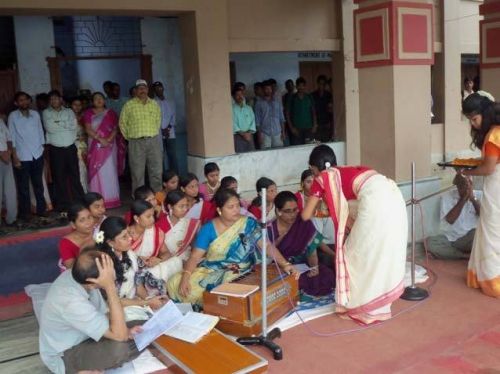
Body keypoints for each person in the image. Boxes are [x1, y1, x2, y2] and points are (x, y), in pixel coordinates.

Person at [302, 145, 407, 324]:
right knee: (376, 252)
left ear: (314, 168)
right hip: (394, 195)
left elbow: (305, 215)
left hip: (375, 202)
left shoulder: (324, 178)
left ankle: (360, 306)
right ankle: (378, 304)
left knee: (352, 255)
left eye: (312, 171)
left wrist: (318, 205)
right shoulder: (344, 170)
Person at [167, 188, 299, 306]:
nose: (236, 210)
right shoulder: (208, 228)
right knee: (175, 283)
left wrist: (285, 264)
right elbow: (195, 256)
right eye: (231, 207)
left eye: (237, 206)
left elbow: (267, 245)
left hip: (239, 270)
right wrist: (185, 277)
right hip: (212, 270)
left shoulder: (249, 223)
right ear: (219, 210)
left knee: (226, 290)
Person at [39, 250, 143, 374]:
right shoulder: (70, 301)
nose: (112, 273)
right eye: (109, 274)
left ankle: (93, 363)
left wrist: (126, 331)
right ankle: (74, 369)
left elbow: (105, 315)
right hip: (66, 353)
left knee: (142, 325)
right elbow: (120, 336)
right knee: (119, 349)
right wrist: (109, 286)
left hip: (87, 336)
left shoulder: (84, 278)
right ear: (93, 283)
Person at [461, 92, 500, 297]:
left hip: (497, 188)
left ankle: (493, 281)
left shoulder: (494, 134)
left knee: (493, 232)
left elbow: (489, 169)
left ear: (484, 114)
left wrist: (467, 172)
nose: (474, 125)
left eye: (474, 119)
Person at [268, 191, 334, 296]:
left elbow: (312, 246)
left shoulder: (302, 222)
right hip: (281, 266)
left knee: (326, 275)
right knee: (294, 282)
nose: (293, 214)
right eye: (288, 211)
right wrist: (282, 236)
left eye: (295, 210)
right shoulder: (270, 228)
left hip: (303, 263)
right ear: (278, 211)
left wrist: (314, 268)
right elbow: (267, 253)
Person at [97, 216, 168, 311]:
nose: (130, 238)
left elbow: (138, 286)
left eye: (129, 234)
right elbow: (112, 300)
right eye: (124, 237)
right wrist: (146, 303)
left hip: (133, 302)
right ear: (110, 243)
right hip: (114, 310)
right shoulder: (104, 265)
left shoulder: (130, 255)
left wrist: (149, 300)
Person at [43, 90, 84, 214]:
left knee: (75, 176)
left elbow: (73, 126)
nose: (53, 101)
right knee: (59, 178)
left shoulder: (69, 111)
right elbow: (50, 128)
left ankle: (80, 202)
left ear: (61, 99)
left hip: (70, 148)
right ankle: (63, 204)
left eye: (56, 98)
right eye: (51, 99)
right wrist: (65, 124)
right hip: (56, 150)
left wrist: (59, 123)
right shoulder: (46, 113)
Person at [129, 200, 182, 293]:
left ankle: (151, 286)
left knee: (176, 261)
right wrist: (137, 260)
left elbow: (166, 253)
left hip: (150, 268)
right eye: (148, 217)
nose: (153, 220)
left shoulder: (156, 231)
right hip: (133, 272)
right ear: (136, 218)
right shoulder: (126, 234)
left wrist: (158, 260)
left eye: (153, 215)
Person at [8, 91, 47, 220]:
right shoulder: (13, 116)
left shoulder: (35, 114)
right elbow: (11, 137)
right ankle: (25, 214)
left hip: (37, 154)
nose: (24, 102)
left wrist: (42, 151)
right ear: (16, 103)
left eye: (26, 99)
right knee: (23, 187)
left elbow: (40, 132)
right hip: (22, 156)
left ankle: (42, 210)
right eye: (20, 100)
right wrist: (15, 157)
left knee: (38, 185)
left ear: (29, 101)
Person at [120, 79, 162, 193]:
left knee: (156, 171)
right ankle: (140, 200)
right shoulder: (129, 105)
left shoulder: (154, 104)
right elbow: (122, 124)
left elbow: (158, 121)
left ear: (147, 90)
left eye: (144, 88)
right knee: (137, 173)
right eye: (140, 88)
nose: (142, 90)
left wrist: (152, 134)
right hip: (136, 142)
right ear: (136, 90)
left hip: (153, 141)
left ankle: (157, 199)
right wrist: (130, 139)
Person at [84, 92, 125, 209]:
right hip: (95, 145)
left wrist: (108, 140)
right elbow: (88, 129)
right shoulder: (88, 113)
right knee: (97, 171)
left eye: (101, 98)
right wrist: (100, 139)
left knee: (110, 171)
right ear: (92, 102)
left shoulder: (111, 113)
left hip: (110, 146)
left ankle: (112, 199)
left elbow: (115, 128)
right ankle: (97, 201)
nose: (98, 100)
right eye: (96, 98)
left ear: (104, 100)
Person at [428, 174, 481, 260]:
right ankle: (465, 256)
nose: (467, 187)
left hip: (470, 239)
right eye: (463, 185)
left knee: (481, 235)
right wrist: (463, 199)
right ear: (457, 186)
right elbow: (450, 220)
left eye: (469, 184)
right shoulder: (446, 197)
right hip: (450, 238)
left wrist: (472, 199)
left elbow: (485, 217)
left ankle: (451, 254)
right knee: (430, 243)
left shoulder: (479, 195)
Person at [295, 169, 336, 266]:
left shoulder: (323, 195)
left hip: (328, 239)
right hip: (311, 239)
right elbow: (301, 221)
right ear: (302, 183)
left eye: (314, 182)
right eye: (308, 182)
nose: (312, 185)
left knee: (326, 217)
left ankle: (331, 247)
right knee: (314, 217)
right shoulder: (297, 197)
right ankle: (320, 250)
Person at [163, 190, 201, 261]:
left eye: (186, 205)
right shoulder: (160, 226)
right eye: (181, 206)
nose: (185, 209)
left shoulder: (191, 224)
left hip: (188, 261)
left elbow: (195, 248)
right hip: (168, 263)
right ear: (170, 207)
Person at [58, 203, 95, 269]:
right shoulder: (65, 243)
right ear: (73, 225)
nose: (88, 222)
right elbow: (70, 268)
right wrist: (84, 249)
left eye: (89, 217)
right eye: (82, 220)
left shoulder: (98, 232)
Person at [152, 81, 178, 174]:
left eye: (160, 87)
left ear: (163, 88)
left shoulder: (170, 101)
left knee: (172, 155)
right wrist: (161, 130)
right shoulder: (152, 103)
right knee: (160, 156)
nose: (159, 90)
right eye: (156, 89)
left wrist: (168, 128)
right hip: (158, 132)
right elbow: (153, 118)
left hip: (170, 132)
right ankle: (163, 177)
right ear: (154, 91)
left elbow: (173, 116)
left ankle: (175, 176)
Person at [254, 80, 285, 149]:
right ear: (263, 90)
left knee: (279, 153)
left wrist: (283, 132)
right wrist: (259, 135)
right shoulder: (258, 103)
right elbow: (257, 121)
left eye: (269, 88)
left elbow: (281, 118)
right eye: (266, 89)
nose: (268, 90)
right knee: (266, 156)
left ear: (271, 89)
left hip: (277, 133)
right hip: (264, 134)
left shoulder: (277, 102)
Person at [286, 77, 317, 145]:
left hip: (309, 128)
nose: (301, 87)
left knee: (309, 148)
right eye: (299, 85)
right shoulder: (292, 98)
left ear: (305, 86)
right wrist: (291, 128)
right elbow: (287, 114)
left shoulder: (309, 97)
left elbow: (313, 112)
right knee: (297, 149)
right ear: (296, 86)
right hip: (296, 129)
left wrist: (315, 125)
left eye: (303, 85)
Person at [0, 116, 17, 225]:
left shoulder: (0, 121)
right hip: (2, 156)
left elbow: (9, 138)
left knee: (10, 190)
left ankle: (11, 219)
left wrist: (9, 151)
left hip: (6, 158)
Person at [70, 96, 88, 193]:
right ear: (70, 105)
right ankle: (80, 192)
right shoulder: (68, 117)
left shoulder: (85, 116)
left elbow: (88, 131)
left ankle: (86, 190)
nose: (77, 107)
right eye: (74, 105)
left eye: (79, 105)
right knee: (78, 169)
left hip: (84, 145)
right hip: (72, 145)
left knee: (84, 168)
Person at [232, 86, 256, 153]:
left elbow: (253, 121)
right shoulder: (231, 109)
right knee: (240, 155)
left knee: (251, 155)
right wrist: (243, 134)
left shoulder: (249, 108)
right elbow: (233, 123)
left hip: (249, 135)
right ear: (233, 97)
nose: (240, 97)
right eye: (237, 95)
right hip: (238, 136)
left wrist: (249, 133)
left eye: (241, 94)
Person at [311, 75, 333, 142]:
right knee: (317, 143)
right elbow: (312, 110)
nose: (322, 86)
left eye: (323, 84)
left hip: (326, 123)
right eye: (320, 83)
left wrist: (330, 122)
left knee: (326, 142)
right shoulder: (313, 95)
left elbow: (330, 109)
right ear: (317, 84)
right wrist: (314, 124)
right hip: (317, 124)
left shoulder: (328, 95)